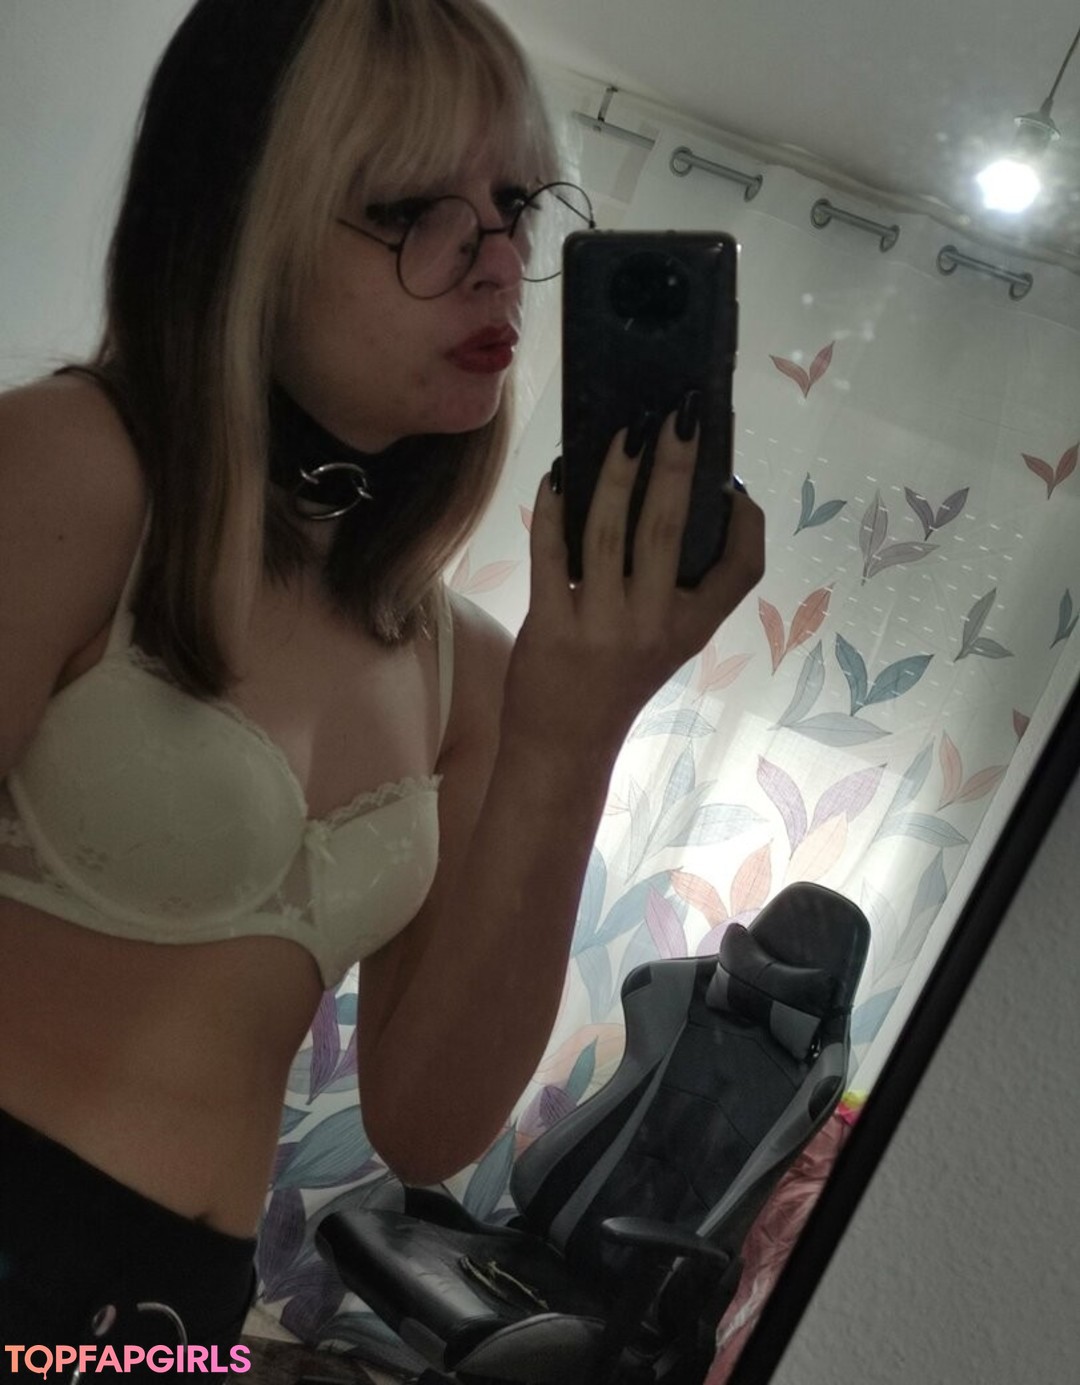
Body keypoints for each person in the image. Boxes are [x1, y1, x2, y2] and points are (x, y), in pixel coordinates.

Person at [0, 0, 764, 1369]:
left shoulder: (462, 663)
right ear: (240, 218)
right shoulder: (72, 466)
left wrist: (575, 730)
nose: (499, 261)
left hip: (178, 1316)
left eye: (514, 206)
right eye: (414, 209)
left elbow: (427, 1123)